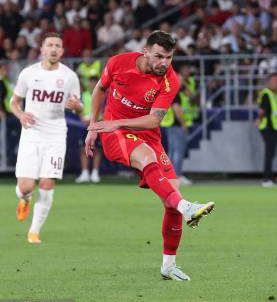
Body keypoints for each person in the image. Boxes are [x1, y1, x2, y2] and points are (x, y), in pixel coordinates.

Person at [84, 30, 215, 281]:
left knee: (171, 196)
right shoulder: (118, 63)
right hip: (116, 134)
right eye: (159, 56)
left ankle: (168, 265)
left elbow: (153, 119)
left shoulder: (170, 81)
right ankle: (189, 208)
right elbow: (100, 89)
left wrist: (116, 122)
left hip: (147, 134)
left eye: (169, 57)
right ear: (145, 51)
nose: (164, 63)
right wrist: (95, 126)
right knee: (147, 159)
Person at [12, 33, 83, 244]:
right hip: (31, 134)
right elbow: (14, 102)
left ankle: (34, 231)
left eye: (58, 46)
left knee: (46, 183)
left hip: (55, 135)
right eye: (50, 45)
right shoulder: (28, 73)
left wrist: (76, 106)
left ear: (62, 51)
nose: (53, 49)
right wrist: (21, 114)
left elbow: (79, 106)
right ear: (42, 48)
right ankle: (24, 199)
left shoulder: (69, 77)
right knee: (26, 187)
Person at [256, 72, 277, 187]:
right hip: (268, 128)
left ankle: (270, 177)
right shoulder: (266, 94)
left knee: (271, 153)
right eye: (275, 81)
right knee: (269, 153)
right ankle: (266, 179)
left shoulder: (274, 95)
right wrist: (259, 119)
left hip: (275, 128)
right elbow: (262, 111)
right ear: (269, 82)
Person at [76, 76, 102, 183]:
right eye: (91, 82)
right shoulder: (84, 95)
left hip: (98, 125)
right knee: (83, 149)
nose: (93, 84)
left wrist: (95, 120)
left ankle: (95, 173)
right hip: (85, 126)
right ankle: (85, 173)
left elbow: (105, 109)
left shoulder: (102, 95)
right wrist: (82, 118)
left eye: (95, 82)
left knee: (97, 149)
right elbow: (79, 109)